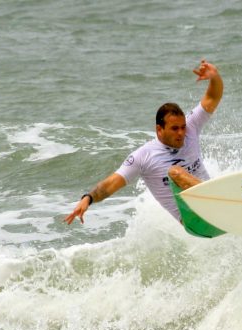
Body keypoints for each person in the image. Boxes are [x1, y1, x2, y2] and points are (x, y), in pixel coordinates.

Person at [64, 59, 223, 226]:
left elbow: (212, 97)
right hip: (195, 222)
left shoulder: (191, 127)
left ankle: (229, 205)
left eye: (183, 127)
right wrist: (87, 199)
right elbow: (110, 184)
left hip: (216, 210)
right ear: (159, 129)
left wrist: (215, 77)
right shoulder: (144, 157)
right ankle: (224, 203)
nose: (182, 133)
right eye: (174, 129)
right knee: (175, 172)